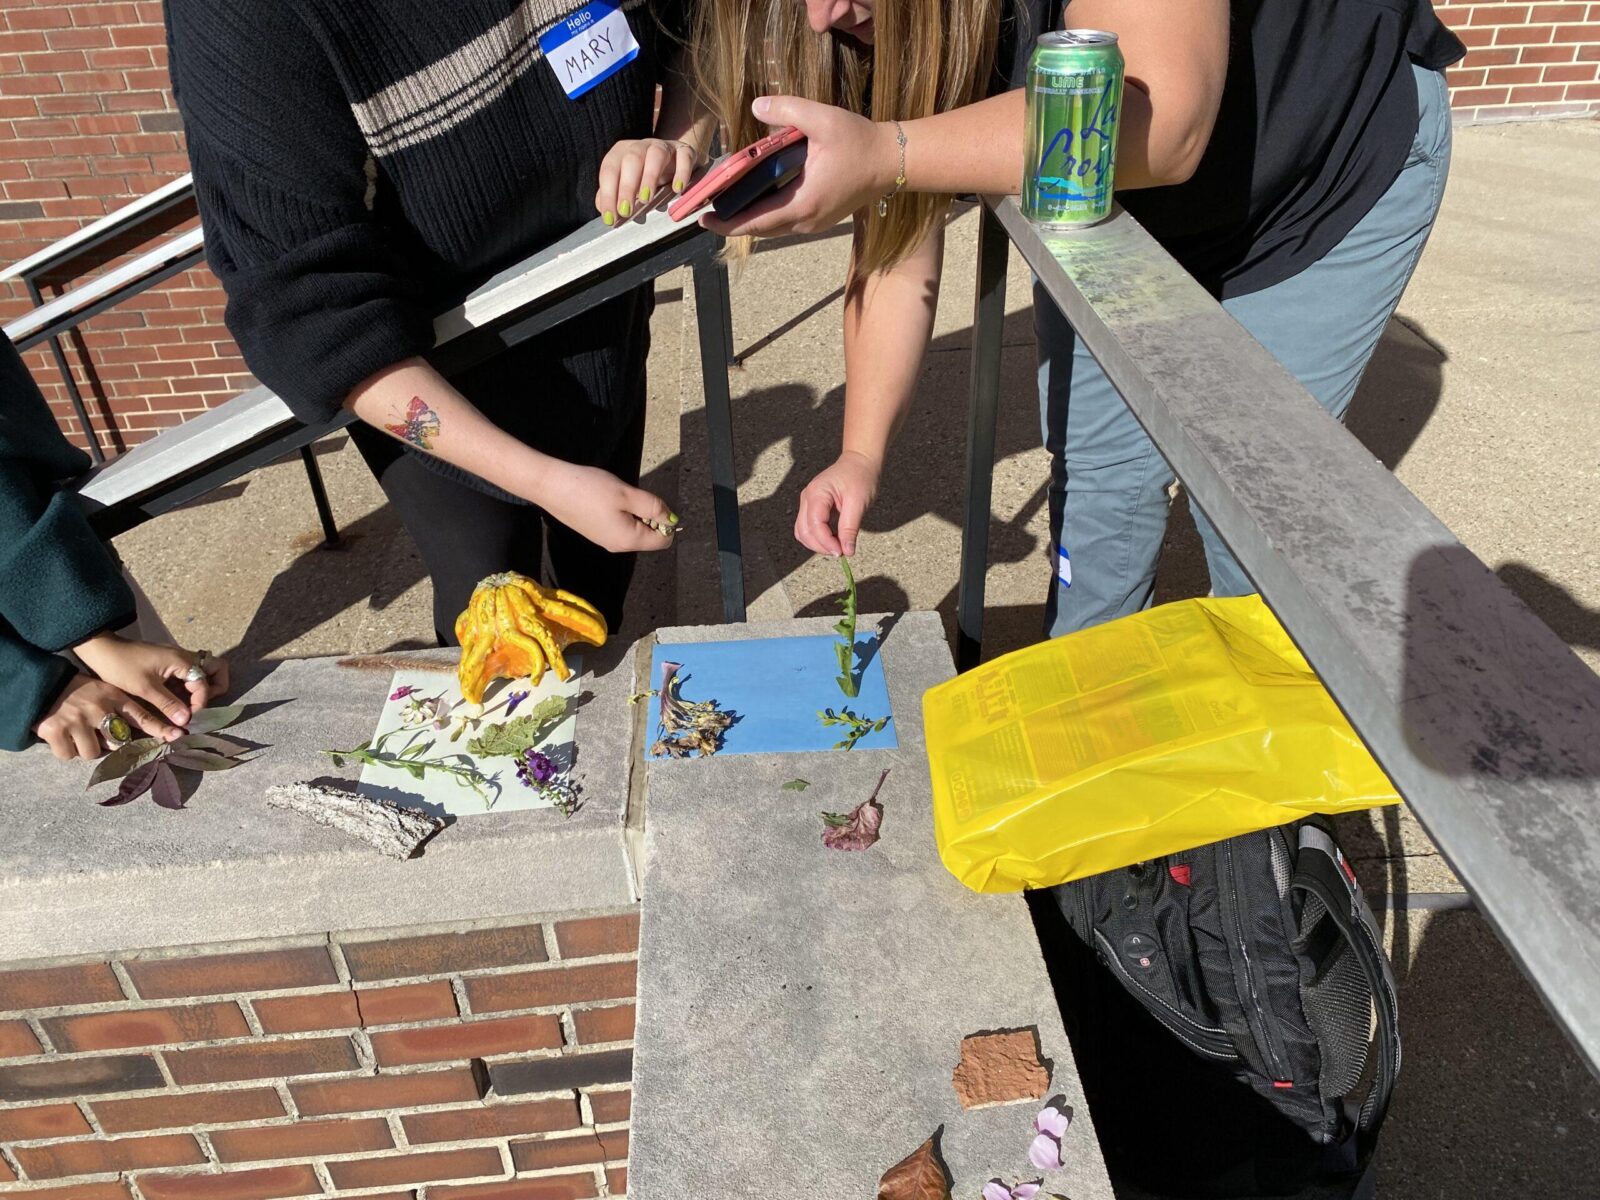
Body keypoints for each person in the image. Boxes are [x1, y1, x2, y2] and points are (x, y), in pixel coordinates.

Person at [642, 0, 1462, 638]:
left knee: (1258, 514)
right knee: (1104, 488)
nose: (822, 15)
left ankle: (1273, 807)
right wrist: (859, 453)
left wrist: (890, 150)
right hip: (1113, 218)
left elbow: (1163, 122)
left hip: (1314, 177)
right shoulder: (863, 23)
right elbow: (897, 238)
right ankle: (1097, 746)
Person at [164, 0, 713, 641]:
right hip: (430, 378)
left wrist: (677, 140)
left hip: (599, 308)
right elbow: (309, 311)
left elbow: (699, 27)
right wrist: (543, 480)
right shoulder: (241, 21)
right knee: (497, 625)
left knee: (599, 594)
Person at [1, 337, 229, 760]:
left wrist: (96, 639)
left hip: (66, 576)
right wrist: (23, 688)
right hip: (50, 692)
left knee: (180, 734)